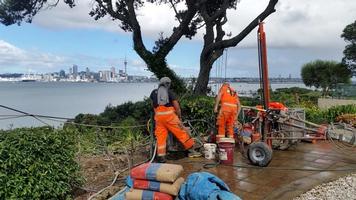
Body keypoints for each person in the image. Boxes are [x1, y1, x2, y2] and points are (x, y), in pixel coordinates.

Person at [150, 77, 201, 163]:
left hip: (159, 118)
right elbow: (176, 106)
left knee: (161, 136)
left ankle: (161, 156)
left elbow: (152, 105)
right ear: (168, 84)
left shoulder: (154, 92)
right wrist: (179, 117)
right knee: (182, 133)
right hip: (170, 117)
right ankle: (192, 151)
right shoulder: (169, 92)